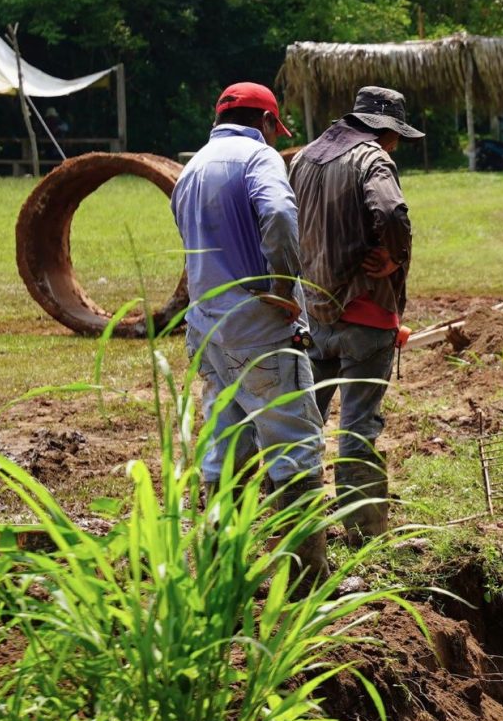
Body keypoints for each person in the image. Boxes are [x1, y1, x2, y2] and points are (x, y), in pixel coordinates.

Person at [170, 80, 329, 582]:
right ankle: (307, 579)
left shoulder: (190, 169)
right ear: (265, 122)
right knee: (296, 444)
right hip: (260, 330)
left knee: (226, 446)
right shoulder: (260, 159)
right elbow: (280, 215)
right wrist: (284, 285)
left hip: (207, 332)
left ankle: (220, 573)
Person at [292, 85, 421, 540]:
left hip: (313, 313)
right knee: (358, 426)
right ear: (386, 130)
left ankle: (295, 521)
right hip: (365, 316)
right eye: (397, 135)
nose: (396, 144)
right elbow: (389, 211)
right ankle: (364, 530)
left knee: (303, 422)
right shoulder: (373, 159)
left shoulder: (304, 158)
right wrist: (394, 256)